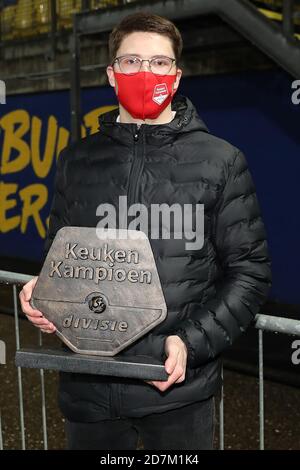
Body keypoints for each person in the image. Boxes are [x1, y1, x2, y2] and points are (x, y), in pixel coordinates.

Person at [19, 12, 272, 450]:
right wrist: (43, 297)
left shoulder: (220, 161)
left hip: (175, 395)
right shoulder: (76, 160)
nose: (144, 72)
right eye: (131, 61)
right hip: (89, 392)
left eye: (158, 63)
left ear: (175, 76)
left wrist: (190, 343)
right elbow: (59, 260)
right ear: (113, 75)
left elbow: (250, 274)